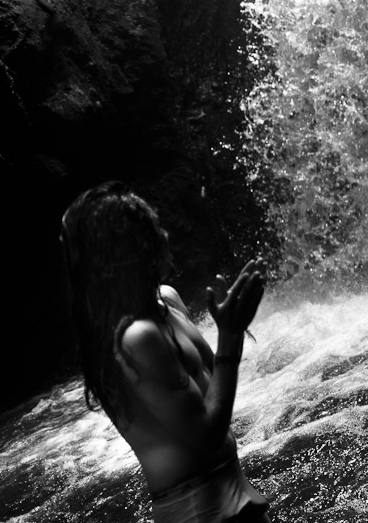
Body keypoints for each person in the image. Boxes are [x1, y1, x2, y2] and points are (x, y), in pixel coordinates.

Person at [60, 181, 272, 522]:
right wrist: (229, 336)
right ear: (129, 250)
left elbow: (208, 396)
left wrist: (233, 324)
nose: (165, 237)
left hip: (233, 488)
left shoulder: (168, 300)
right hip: (198, 508)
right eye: (154, 230)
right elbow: (207, 437)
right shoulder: (135, 337)